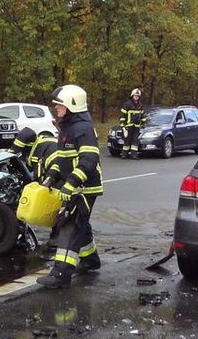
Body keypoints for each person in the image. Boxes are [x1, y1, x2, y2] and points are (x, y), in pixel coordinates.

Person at [37, 84, 103, 289]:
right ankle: (90, 260)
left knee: (69, 226)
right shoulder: (66, 128)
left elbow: (89, 160)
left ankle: (61, 274)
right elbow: (62, 160)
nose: (56, 107)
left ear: (72, 105)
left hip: (84, 189)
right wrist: (51, 176)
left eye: (59, 105)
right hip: (73, 187)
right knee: (80, 223)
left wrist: (72, 183)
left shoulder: (83, 129)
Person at [118, 88, 145, 158]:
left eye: (138, 96)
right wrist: (123, 125)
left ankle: (134, 155)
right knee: (127, 140)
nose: (136, 97)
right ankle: (124, 154)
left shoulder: (140, 105)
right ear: (132, 96)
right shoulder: (127, 104)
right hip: (128, 126)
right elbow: (122, 116)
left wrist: (143, 123)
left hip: (137, 126)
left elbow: (142, 115)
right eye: (135, 96)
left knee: (135, 141)